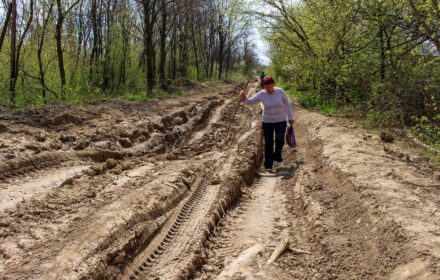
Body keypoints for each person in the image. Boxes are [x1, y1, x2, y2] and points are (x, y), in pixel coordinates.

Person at [240, 76, 295, 173]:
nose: (268, 88)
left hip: (281, 120)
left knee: (280, 140)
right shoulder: (261, 94)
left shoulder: (280, 91)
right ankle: (268, 165)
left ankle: (277, 155)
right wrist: (244, 97)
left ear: (273, 84)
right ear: (263, 87)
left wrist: (290, 117)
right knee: (268, 143)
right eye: (266, 86)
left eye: (270, 85)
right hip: (267, 121)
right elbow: (250, 102)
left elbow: (287, 104)